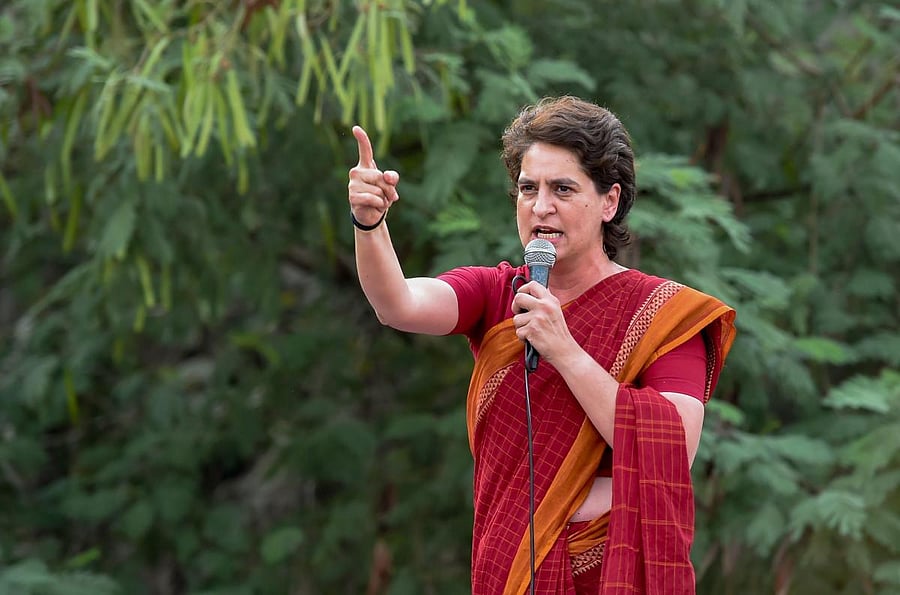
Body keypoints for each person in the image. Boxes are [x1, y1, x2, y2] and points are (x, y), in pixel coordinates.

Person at [347, 96, 736, 594]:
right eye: (528, 188)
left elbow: (674, 446)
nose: (540, 206)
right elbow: (397, 303)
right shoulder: (497, 294)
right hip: (510, 570)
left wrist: (566, 351)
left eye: (563, 189)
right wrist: (369, 223)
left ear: (609, 202)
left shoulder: (664, 314)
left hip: (610, 574)